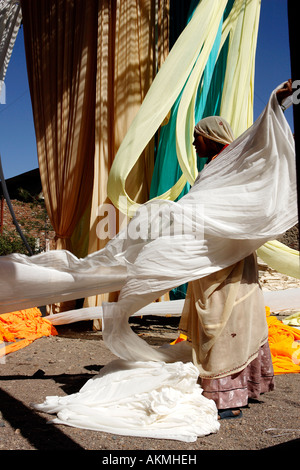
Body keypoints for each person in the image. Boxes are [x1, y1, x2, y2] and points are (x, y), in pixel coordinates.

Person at [179, 80, 293, 420]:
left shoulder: (234, 160)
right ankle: (237, 388)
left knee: (231, 318)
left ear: (211, 135)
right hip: (211, 257)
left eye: (198, 136)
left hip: (231, 257)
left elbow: (261, 138)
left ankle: (228, 396)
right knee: (222, 317)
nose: (195, 142)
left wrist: (277, 101)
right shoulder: (212, 167)